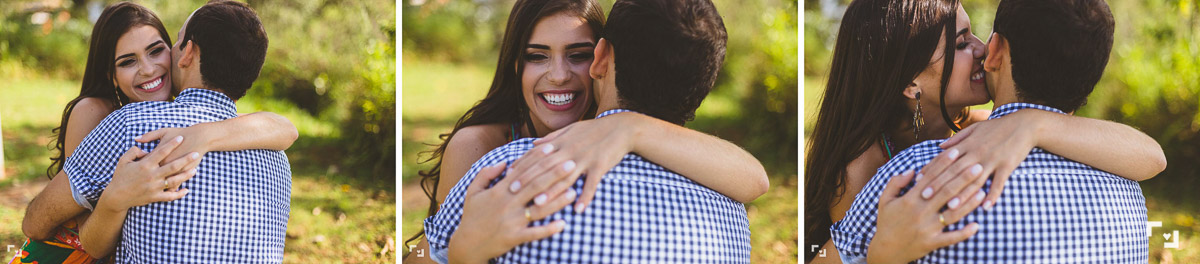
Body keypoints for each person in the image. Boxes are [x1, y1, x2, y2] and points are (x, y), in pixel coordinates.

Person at [404, 0, 769, 261]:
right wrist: (464, 249)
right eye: (537, 55)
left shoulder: (645, 140)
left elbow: (755, 178)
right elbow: (424, 252)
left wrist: (630, 127)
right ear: (516, 64)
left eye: (578, 54)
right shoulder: (483, 149)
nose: (559, 75)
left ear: (599, 59)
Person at [804, 0, 1165, 262]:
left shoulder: (986, 132)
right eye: (961, 44)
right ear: (911, 83)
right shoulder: (862, 170)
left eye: (975, 35)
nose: (980, 49)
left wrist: (1032, 123)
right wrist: (883, 254)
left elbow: (1152, 156)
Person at [14, 2, 296, 263]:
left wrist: (203, 136)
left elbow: (44, 225)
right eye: (127, 61)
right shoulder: (278, 160)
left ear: (187, 52)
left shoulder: (131, 126)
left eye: (161, 48)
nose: (149, 70)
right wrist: (115, 199)